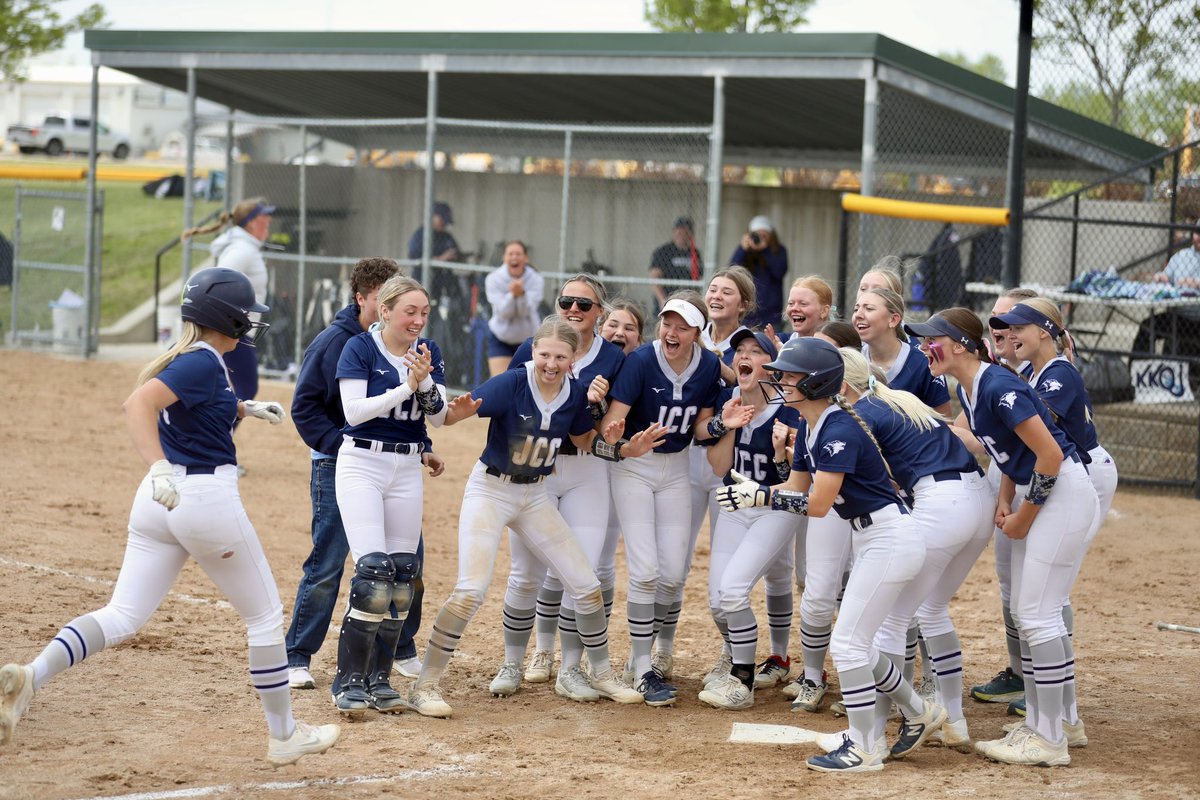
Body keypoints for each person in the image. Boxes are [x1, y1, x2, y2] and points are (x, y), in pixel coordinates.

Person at [0, 268, 340, 766]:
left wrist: (242, 409)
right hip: (202, 498)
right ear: (224, 316)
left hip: (159, 504)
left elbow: (190, 405)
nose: (250, 322)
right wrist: (158, 462)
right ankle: (284, 734)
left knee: (121, 615)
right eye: (244, 314)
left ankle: (32, 674)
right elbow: (137, 404)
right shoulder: (201, 364)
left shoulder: (199, 360)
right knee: (264, 618)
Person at [407, 318, 668, 718]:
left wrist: (624, 451)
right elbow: (444, 417)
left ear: (573, 358)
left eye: (560, 356)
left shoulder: (574, 392)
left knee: (585, 584)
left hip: (533, 494)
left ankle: (600, 673)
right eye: (544, 354)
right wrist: (431, 391)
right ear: (533, 352)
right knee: (471, 589)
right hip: (492, 489)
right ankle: (425, 686)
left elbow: (584, 441)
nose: (551, 363)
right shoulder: (512, 382)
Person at [715, 337, 946, 773]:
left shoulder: (839, 428)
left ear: (818, 382)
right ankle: (918, 711)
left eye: (790, 376)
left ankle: (864, 747)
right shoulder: (808, 425)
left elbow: (818, 506)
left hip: (890, 541)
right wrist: (756, 493)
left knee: (849, 643)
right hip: (875, 539)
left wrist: (761, 497)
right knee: (858, 643)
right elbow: (796, 489)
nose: (780, 381)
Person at [904, 309, 1098, 767]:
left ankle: (1049, 738)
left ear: (962, 346)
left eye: (933, 339)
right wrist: (1006, 498)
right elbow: (1010, 452)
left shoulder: (995, 384)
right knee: (1036, 611)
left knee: (1036, 613)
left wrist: (1025, 515)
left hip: (1062, 492)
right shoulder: (970, 389)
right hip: (1042, 492)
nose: (924, 347)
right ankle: (1059, 722)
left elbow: (1049, 453)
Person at [285, 258, 443, 691]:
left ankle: (400, 648)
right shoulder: (338, 342)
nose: (411, 317)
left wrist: (422, 447)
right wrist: (346, 447)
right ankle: (297, 654)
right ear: (367, 300)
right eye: (389, 302)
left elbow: (410, 414)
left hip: (397, 466)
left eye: (418, 309)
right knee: (330, 562)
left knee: (408, 563)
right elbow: (305, 407)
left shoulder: (414, 347)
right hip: (340, 461)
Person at [838, 348, 993, 748]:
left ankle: (882, 726)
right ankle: (954, 722)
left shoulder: (864, 413)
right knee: (931, 610)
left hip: (941, 504)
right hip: (975, 498)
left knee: (893, 619)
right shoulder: (891, 399)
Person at [490, 275, 626, 702]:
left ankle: (570, 669)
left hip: (587, 469)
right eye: (566, 300)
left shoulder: (615, 359)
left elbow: (613, 422)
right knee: (525, 572)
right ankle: (514, 659)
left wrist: (599, 404)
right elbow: (512, 402)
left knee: (580, 570)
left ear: (598, 312)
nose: (574, 309)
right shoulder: (534, 348)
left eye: (584, 304)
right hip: (539, 468)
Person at [987, 298, 1118, 738]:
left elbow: (1041, 442)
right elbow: (1017, 451)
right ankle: (1057, 705)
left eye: (1017, 326)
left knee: (1049, 594)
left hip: (1083, 474)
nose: (1008, 334)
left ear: (1045, 331)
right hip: (1058, 477)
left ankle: (1058, 708)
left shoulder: (1059, 373)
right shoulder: (1029, 373)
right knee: (1041, 593)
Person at [602, 293, 740, 705]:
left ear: (698, 332)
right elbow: (614, 419)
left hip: (677, 467)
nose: (671, 332)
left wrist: (721, 421)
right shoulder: (642, 360)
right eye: (667, 323)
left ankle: (650, 656)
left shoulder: (709, 365)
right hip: (636, 468)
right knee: (645, 570)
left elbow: (702, 428)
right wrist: (621, 437)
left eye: (682, 326)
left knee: (674, 573)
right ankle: (643, 666)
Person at [329, 274, 450, 715]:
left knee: (403, 576)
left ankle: (380, 678)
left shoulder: (427, 351)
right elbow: (355, 412)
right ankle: (348, 680)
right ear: (385, 311)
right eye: (409, 312)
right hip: (363, 462)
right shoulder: (360, 347)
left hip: (406, 465)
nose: (418, 320)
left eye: (423, 312)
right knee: (373, 572)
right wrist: (408, 385)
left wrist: (425, 384)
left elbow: (437, 417)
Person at [655, 267, 756, 680]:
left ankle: (734, 653)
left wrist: (726, 369)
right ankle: (661, 651)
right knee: (671, 563)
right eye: (712, 289)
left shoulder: (749, 345)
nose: (716, 296)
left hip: (728, 466)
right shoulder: (687, 332)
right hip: (685, 460)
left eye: (727, 292)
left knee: (724, 579)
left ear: (743, 304)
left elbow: (752, 386)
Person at [697, 329, 800, 709]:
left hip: (776, 507)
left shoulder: (790, 409)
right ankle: (734, 658)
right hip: (734, 505)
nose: (745, 355)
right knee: (717, 602)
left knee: (735, 590)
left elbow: (797, 480)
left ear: (771, 367)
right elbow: (720, 466)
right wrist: (728, 425)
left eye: (756, 351)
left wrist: (781, 452)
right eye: (740, 350)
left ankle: (742, 682)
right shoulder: (729, 399)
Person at [966, 288, 1040, 710]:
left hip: (1047, 482)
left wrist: (1020, 505)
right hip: (1015, 478)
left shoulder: (1038, 374)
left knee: (1042, 594)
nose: (996, 328)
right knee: (1012, 585)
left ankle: (1044, 691)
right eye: (992, 318)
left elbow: (1043, 450)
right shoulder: (992, 373)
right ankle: (1021, 674)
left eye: (1007, 320)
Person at [181, 198, 274, 410]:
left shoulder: (246, 246)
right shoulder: (242, 249)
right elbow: (217, 282)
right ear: (250, 223)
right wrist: (226, 321)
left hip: (237, 329)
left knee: (239, 388)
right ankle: (214, 435)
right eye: (263, 216)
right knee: (245, 389)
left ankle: (214, 434)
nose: (268, 220)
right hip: (231, 330)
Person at [853, 287, 952, 416]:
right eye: (856, 309)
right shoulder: (852, 361)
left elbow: (946, 423)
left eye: (869, 309)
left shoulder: (923, 363)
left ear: (893, 319)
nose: (858, 315)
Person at [1133, 222, 1200, 355]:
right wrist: (1161, 278)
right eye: (1198, 233)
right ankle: (1138, 372)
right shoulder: (1181, 256)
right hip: (1177, 316)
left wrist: (1196, 283)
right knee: (1147, 327)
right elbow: (1166, 276)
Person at [484, 240, 545, 377]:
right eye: (510, 254)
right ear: (504, 257)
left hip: (528, 340)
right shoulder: (493, 279)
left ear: (526, 258)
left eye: (518, 254)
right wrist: (513, 295)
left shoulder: (536, 279)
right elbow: (503, 312)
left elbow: (526, 311)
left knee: (526, 384)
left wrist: (522, 295)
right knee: (500, 383)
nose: (514, 257)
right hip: (501, 338)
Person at [729, 215, 788, 329]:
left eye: (764, 235)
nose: (760, 238)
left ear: (771, 236)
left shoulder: (779, 251)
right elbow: (732, 271)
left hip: (771, 315)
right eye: (757, 235)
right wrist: (742, 249)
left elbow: (779, 272)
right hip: (747, 314)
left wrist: (765, 250)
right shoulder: (745, 252)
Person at [649, 216, 703, 315]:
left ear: (691, 234)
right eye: (679, 231)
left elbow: (698, 276)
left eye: (686, 232)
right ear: (674, 232)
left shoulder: (694, 253)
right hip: (668, 298)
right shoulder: (664, 251)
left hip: (688, 300)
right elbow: (654, 277)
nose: (682, 234)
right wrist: (662, 299)